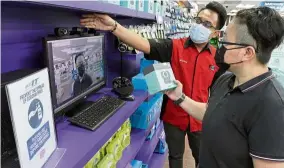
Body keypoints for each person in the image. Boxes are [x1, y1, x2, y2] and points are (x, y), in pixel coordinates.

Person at [80, 2, 227, 167]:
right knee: (175, 157)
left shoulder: (219, 58)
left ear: (215, 33)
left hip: (201, 118)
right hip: (173, 116)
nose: (200, 26)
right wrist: (114, 26)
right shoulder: (174, 46)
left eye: (207, 24)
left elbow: (221, 91)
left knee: (204, 159)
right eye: (198, 20)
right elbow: (144, 44)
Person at [165, 7, 284, 168]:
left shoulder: (274, 108)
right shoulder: (227, 80)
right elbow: (214, 113)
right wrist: (180, 97)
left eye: (225, 41)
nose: (218, 45)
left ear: (247, 53)